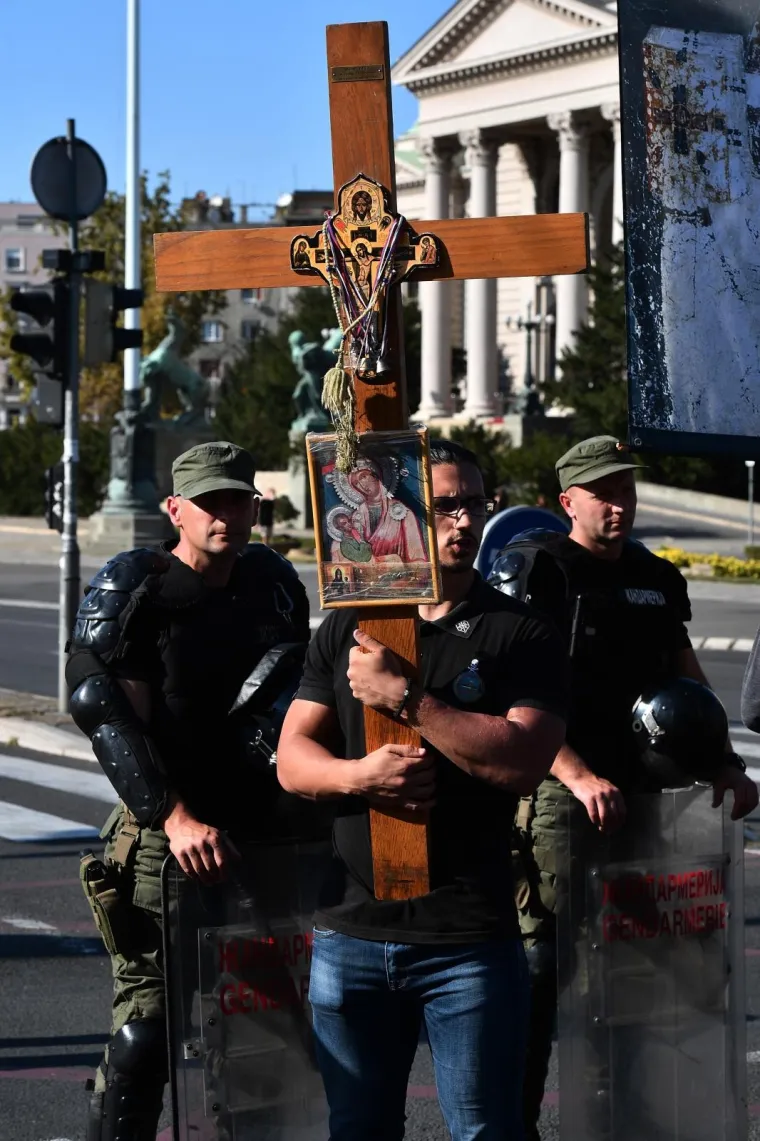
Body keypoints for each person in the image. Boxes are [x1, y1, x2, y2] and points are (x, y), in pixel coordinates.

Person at [277, 438, 569, 1141]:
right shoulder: (354, 621)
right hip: (350, 931)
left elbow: (523, 760)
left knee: (484, 1129)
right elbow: (292, 757)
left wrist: (410, 700)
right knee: (357, 1127)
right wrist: (358, 775)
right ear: (405, 514)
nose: (463, 520)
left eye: (473, 502)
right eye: (444, 505)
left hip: (465, 938)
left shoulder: (519, 630)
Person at [487, 434, 758, 1141]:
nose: (619, 504)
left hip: (648, 797)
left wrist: (727, 762)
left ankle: (623, 1114)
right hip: (564, 791)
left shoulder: (656, 576)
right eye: (602, 492)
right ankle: (517, 1119)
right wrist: (576, 773)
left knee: (638, 962)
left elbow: (689, 677)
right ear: (566, 500)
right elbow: (514, 691)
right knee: (546, 961)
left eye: (626, 490)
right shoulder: (539, 569)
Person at [66, 441, 310, 1141]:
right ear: (176, 508)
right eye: (210, 502)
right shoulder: (139, 586)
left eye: (239, 500)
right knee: (147, 1032)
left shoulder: (272, 582)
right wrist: (173, 816)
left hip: (260, 829)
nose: (226, 514)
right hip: (164, 835)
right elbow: (101, 708)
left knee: (264, 1026)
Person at [347, 459, 428, 563]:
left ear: (377, 476)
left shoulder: (402, 513)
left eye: (363, 477)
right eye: (356, 483)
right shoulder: (356, 517)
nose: (362, 485)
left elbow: (418, 560)